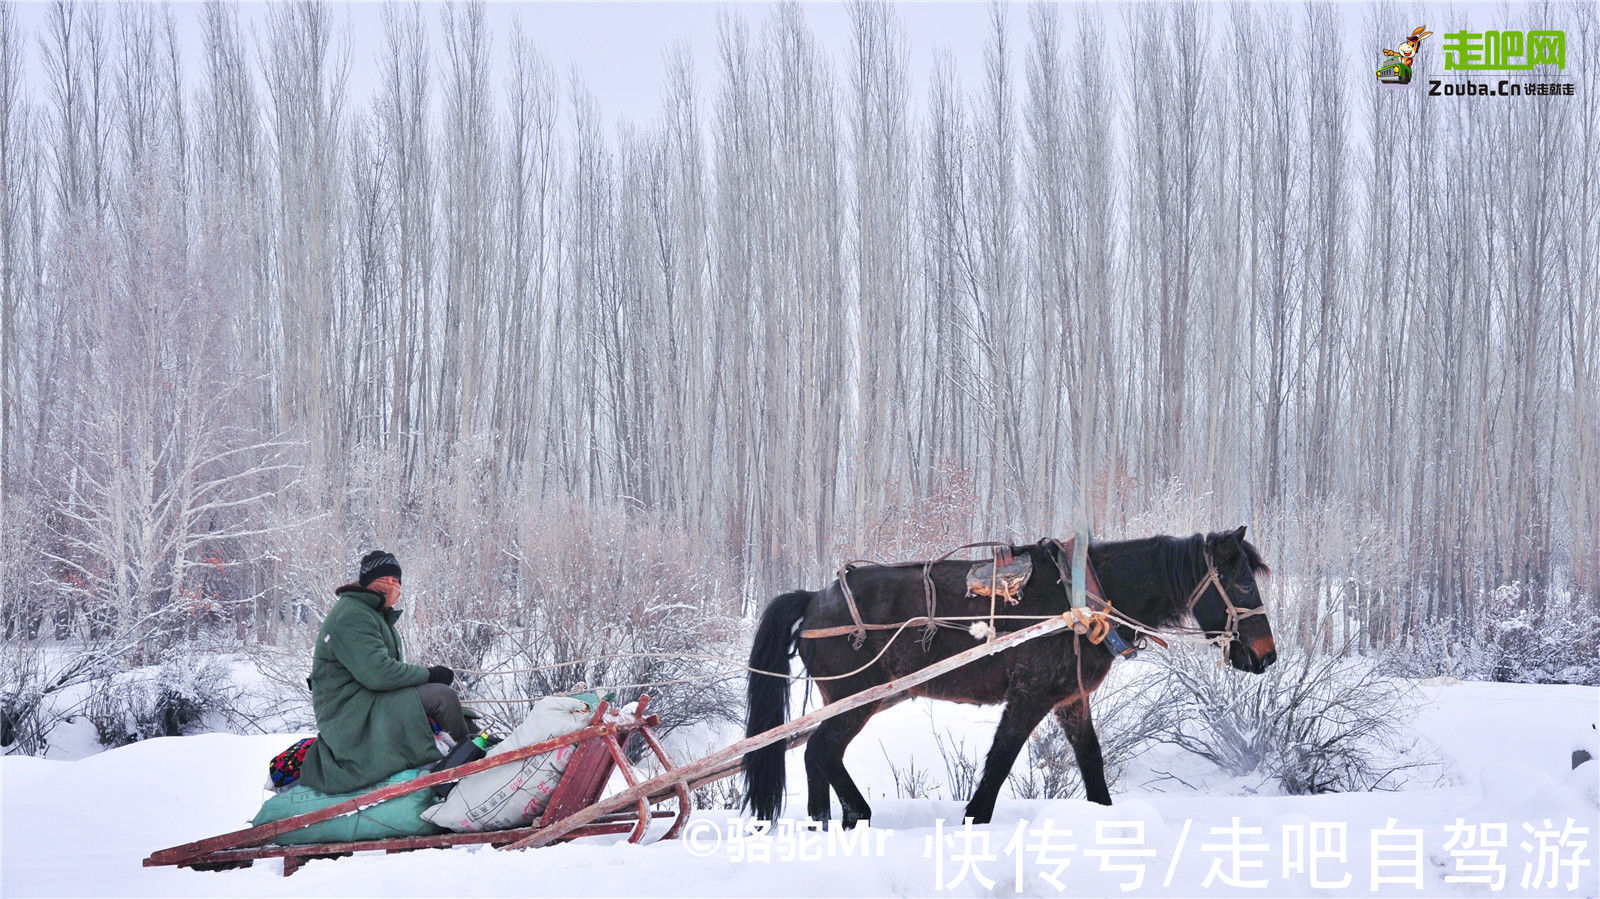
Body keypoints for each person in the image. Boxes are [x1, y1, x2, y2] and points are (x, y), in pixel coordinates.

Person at [297, 550, 469, 794]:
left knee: (461, 713)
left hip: (365, 702)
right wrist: (429, 675)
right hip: (349, 714)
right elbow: (379, 674)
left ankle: (469, 754)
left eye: (396, 580)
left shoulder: (371, 614)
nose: (392, 585)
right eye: (385, 579)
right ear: (368, 582)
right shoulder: (353, 615)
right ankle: (467, 768)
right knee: (441, 697)